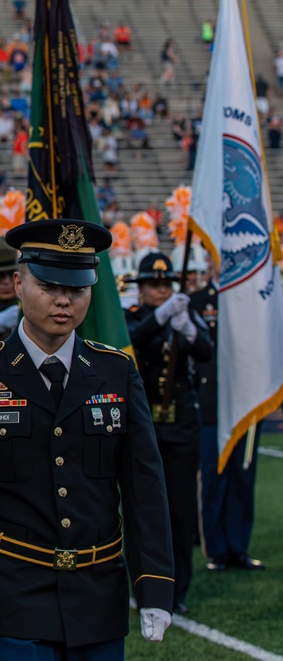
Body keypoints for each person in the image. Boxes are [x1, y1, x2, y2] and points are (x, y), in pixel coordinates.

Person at [0, 219, 175, 657]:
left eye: (76, 288)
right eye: (49, 285)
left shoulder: (117, 371)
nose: (63, 300)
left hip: (97, 595)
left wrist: (153, 582)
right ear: (19, 284)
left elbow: (144, 488)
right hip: (13, 593)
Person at [125, 251, 213, 615]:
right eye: (153, 284)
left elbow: (207, 351)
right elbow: (128, 344)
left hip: (180, 425)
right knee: (141, 508)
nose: (160, 290)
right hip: (143, 426)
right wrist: (160, 319)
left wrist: (188, 329)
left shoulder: (183, 313)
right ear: (141, 288)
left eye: (165, 284)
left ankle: (177, 589)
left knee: (180, 510)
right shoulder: (134, 318)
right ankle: (141, 582)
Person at [190, 280, 265, 574]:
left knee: (242, 479)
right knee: (213, 479)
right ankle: (217, 551)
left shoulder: (254, 299)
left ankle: (238, 548)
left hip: (246, 403)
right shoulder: (198, 300)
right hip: (211, 404)